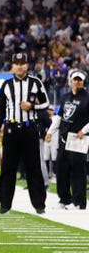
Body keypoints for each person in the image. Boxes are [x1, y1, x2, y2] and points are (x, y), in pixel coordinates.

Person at [0, 52, 49, 215]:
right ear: (12, 66)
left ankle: (39, 205)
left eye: (22, 63)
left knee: (34, 168)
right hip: (10, 129)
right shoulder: (6, 85)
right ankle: (4, 205)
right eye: (16, 63)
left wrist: (31, 107)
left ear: (27, 65)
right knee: (8, 169)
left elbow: (46, 103)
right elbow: (0, 109)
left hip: (29, 128)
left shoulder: (35, 82)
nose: (19, 66)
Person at [45, 70, 89, 210]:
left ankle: (79, 202)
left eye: (80, 79)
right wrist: (50, 132)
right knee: (61, 169)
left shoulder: (87, 98)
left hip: (78, 139)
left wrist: (84, 130)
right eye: (75, 79)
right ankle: (64, 199)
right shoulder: (65, 97)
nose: (77, 82)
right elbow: (59, 117)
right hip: (64, 138)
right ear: (70, 81)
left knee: (78, 171)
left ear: (83, 81)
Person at [43, 107, 58, 181]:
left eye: (51, 110)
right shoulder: (46, 118)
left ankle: (55, 174)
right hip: (46, 140)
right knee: (46, 157)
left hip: (54, 140)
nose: (49, 111)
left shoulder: (56, 118)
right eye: (48, 110)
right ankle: (48, 174)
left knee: (54, 157)